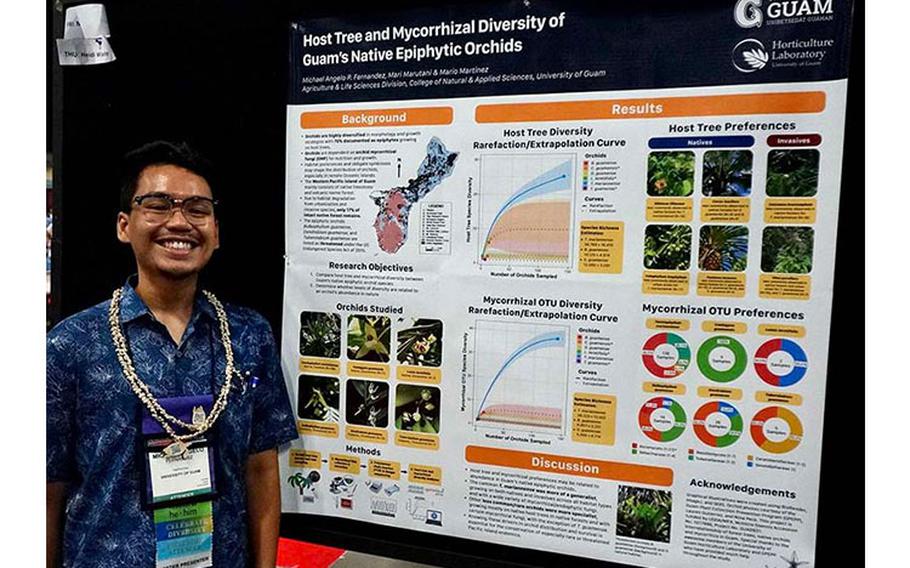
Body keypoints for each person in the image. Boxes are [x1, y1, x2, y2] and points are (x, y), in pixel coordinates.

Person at [46, 141, 298, 567]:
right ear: (125, 225)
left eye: (197, 209)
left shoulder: (249, 336)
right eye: (158, 205)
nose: (179, 221)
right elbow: (48, 488)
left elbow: (260, 471)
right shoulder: (71, 345)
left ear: (216, 232)